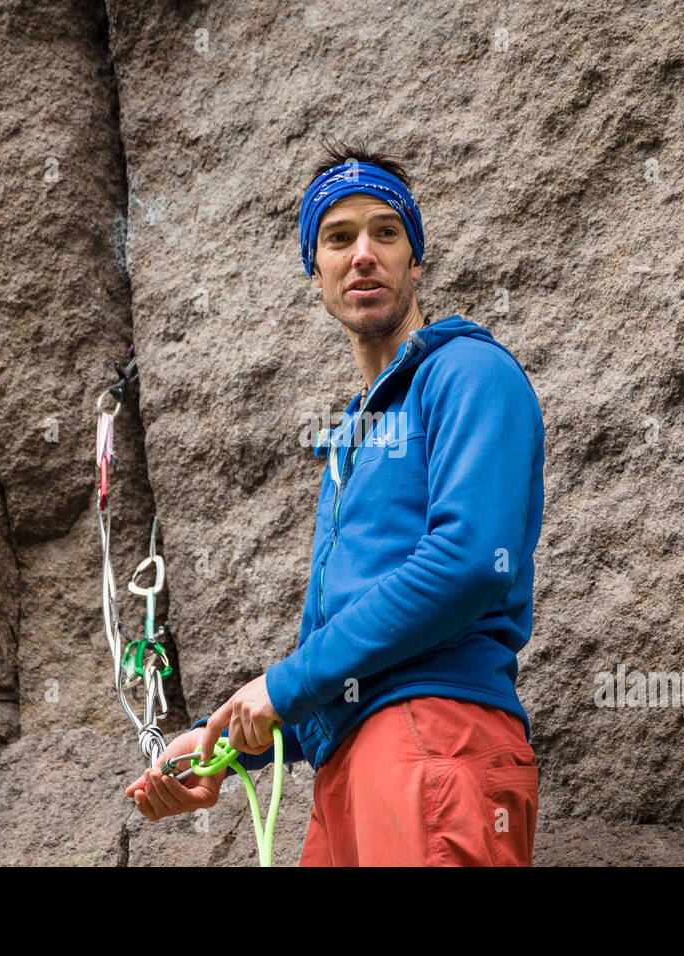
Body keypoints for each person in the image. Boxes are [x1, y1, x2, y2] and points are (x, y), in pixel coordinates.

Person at [126, 138, 545, 866]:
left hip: (433, 737)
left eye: (387, 233)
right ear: (313, 272)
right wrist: (222, 747)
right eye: (339, 237)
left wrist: (283, 685)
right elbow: (350, 653)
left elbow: (470, 562)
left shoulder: (470, 372)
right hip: (346, 771)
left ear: (417, 262)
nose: (363, 254)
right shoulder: (351, 439)